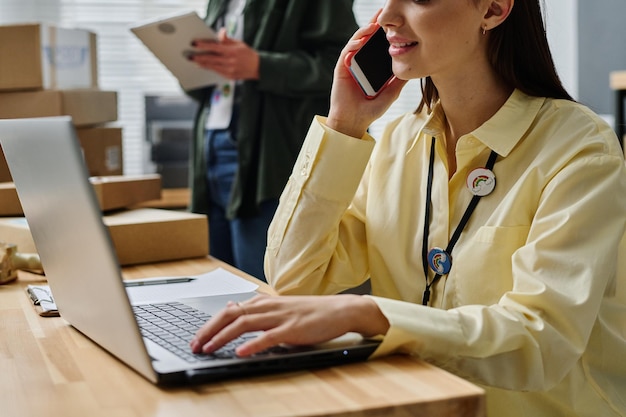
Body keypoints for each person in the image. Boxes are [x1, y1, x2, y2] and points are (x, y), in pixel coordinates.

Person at [191, 1, 626, 416]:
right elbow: (292, 277)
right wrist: (344, 124)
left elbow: (539, 342)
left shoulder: (580, 150)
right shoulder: (399, 141)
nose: (387, 17)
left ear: (493, 9)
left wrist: (368, 315)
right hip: (414, 404)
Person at [185, 1, 358, 281]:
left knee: (263, 288)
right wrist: (192, 67)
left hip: (269, 158)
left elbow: (343, 68)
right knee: (214, 286)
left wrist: (259, 65)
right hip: (212, 148)